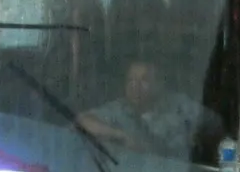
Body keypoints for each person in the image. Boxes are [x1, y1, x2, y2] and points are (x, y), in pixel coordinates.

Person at [78, 59, 222, 159]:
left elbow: (217, 126)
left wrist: (197, 142)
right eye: (131, 80)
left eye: (144, 80)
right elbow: (82, 121)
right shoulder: (118, 109)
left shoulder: (180, 107)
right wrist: (120, 135)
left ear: (160, 84)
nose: (136, 86)